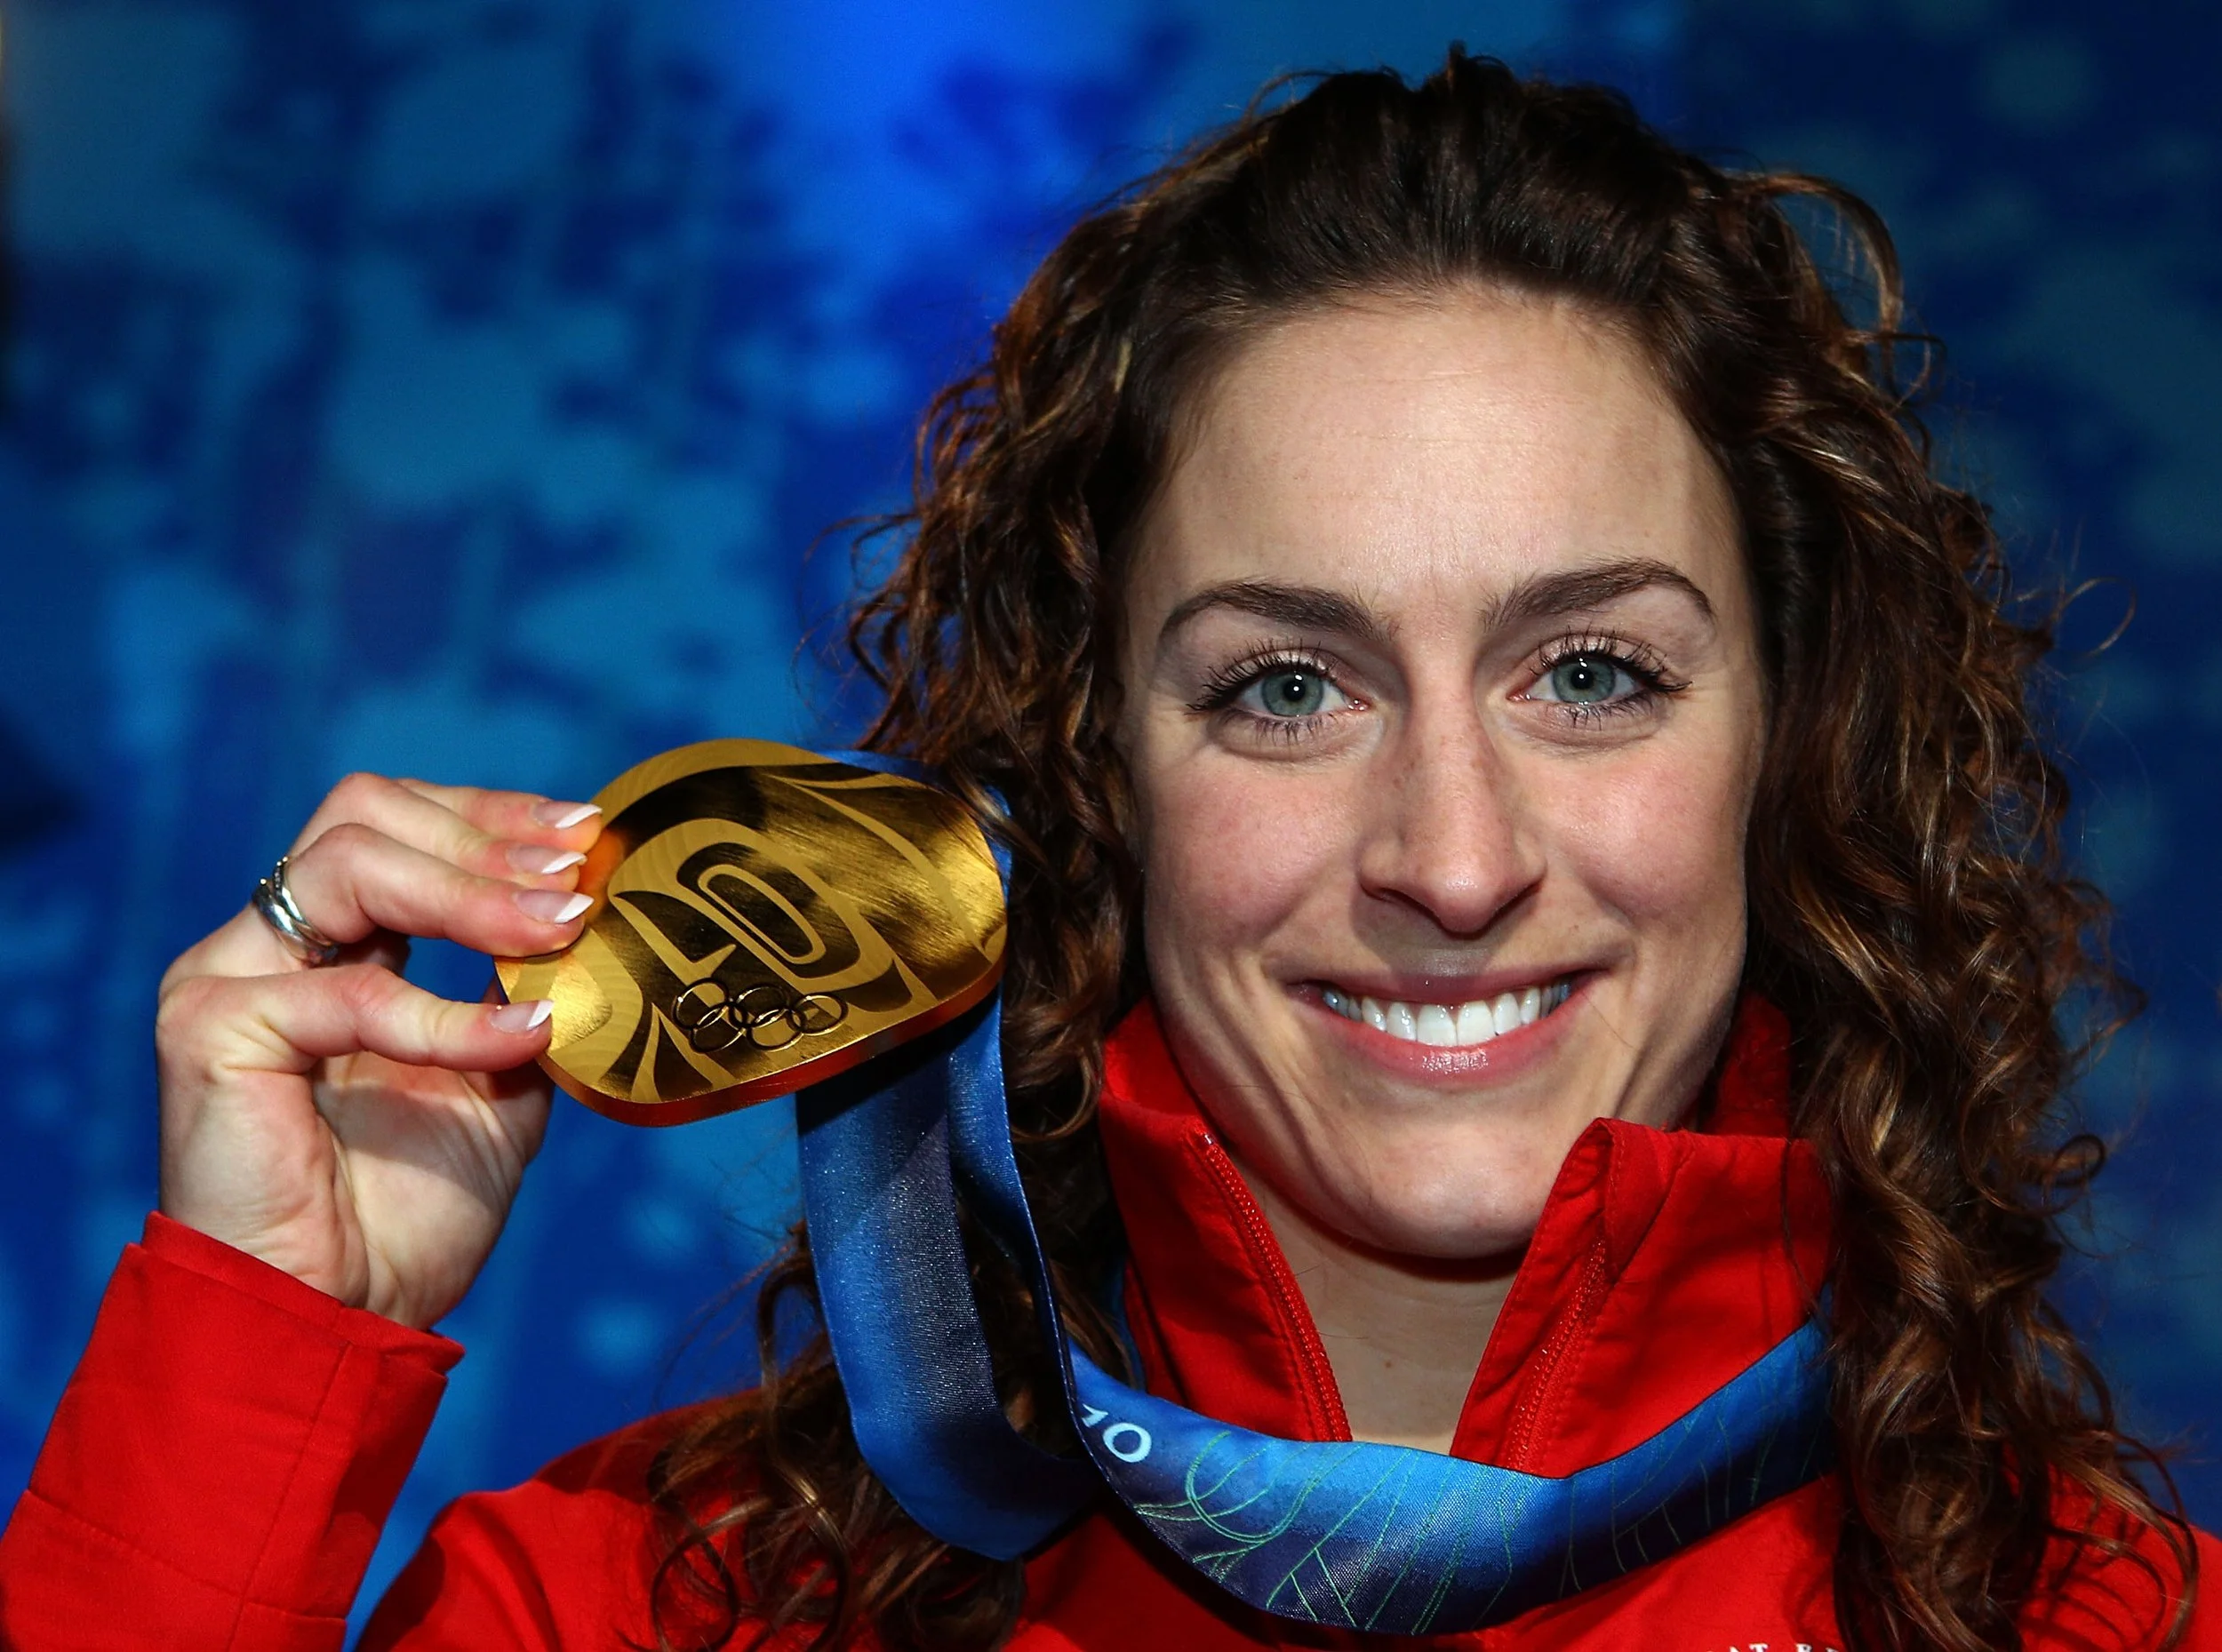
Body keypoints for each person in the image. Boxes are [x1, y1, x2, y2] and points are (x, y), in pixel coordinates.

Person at [0, 51, 2211, 1652]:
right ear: (1090, 783)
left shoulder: (2115, 1624)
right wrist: (267, 1344)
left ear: (1783, 748)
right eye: (1286, 686)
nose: (1451, 856)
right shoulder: (646, 1609)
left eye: (1590, 671)